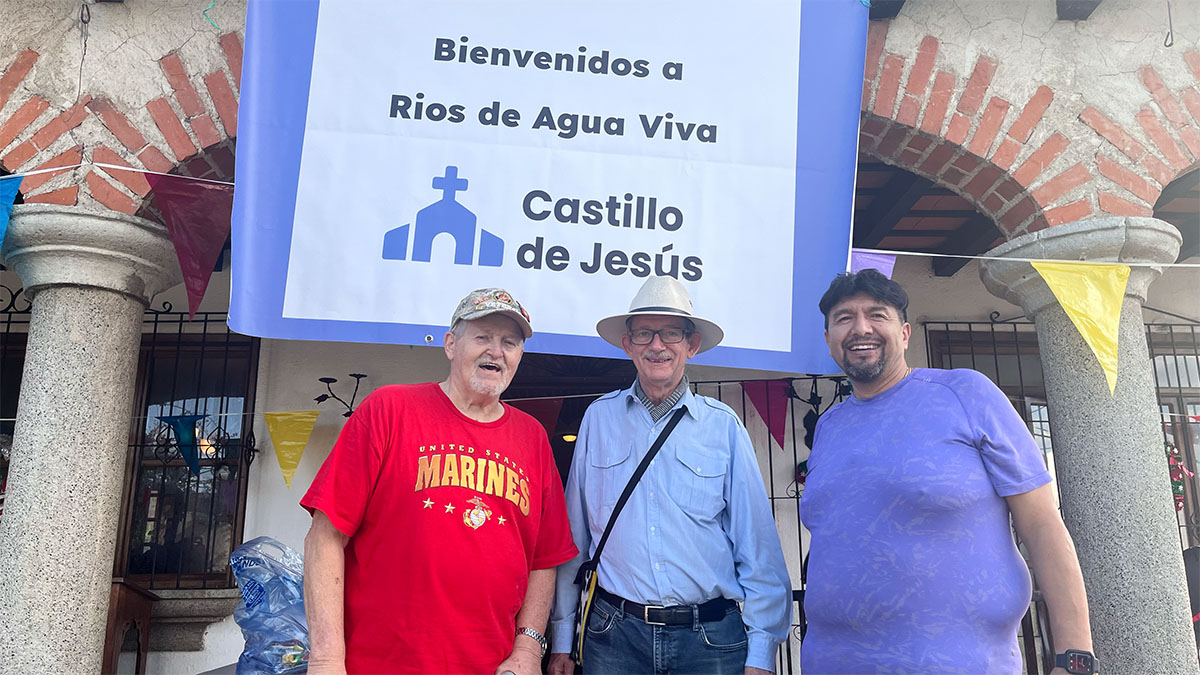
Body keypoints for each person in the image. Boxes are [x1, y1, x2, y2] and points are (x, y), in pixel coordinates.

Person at [800, 269, 1096, 674]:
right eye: (844, 318)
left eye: (877, 314)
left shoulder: (967, 394)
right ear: (828, 339)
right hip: (832, 662)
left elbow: (1042, 525)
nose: (861, 328)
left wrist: (1074, 658)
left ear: (905, 333)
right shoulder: (829, 427)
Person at [300, 288, 578, 675]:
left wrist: (528, 650)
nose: (496, 351)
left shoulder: (533, 437)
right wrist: (327, 659)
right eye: (482, 337)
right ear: (450, 344)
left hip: (492, 668)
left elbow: (544, 559)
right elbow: (325, 536)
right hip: (380, 664)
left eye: (509, 342)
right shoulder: (388, 409)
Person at [549, 275, 793, 675]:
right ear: (627, 344)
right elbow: (575, 537)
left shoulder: (724, 426)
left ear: (691, 345)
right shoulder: (598, 418)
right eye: (644, 333)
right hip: (613, 636)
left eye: (671, 333)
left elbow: (758, 545)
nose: (657, 345)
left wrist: (762, 651)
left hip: (710, 640)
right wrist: (563, 637)